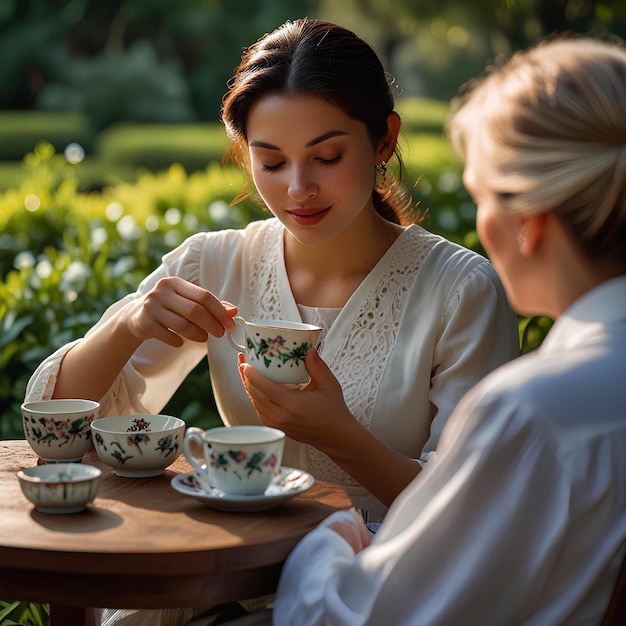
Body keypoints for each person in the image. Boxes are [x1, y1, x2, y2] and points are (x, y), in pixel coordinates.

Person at [26, 18, 517, 525]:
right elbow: (59, 436)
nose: (299, 188)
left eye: (327, 156)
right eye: (273, 162)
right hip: (229, 574)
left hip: (384, 584)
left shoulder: (460, 291)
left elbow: (472, 512)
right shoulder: (213, 265)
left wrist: (338, 436)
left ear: (384, 141)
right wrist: (123, 326)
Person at [247, 34, 626, 625]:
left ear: (528, 222)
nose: (299, 185)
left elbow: (362, 616)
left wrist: (333, 532)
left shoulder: (532, 413)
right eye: (270, 161)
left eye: (480, 196)